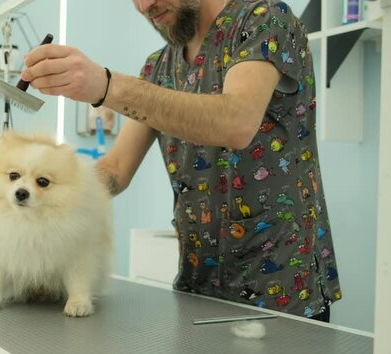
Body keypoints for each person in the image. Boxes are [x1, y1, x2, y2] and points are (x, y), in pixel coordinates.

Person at [20, 0, 341, 321]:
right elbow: (115, 169)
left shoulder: (264, 21)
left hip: (282, 294)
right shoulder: (160, 67)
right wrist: (46, 193)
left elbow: (237, 122)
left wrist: (106, 86)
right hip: (198, 294)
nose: (145, 5)